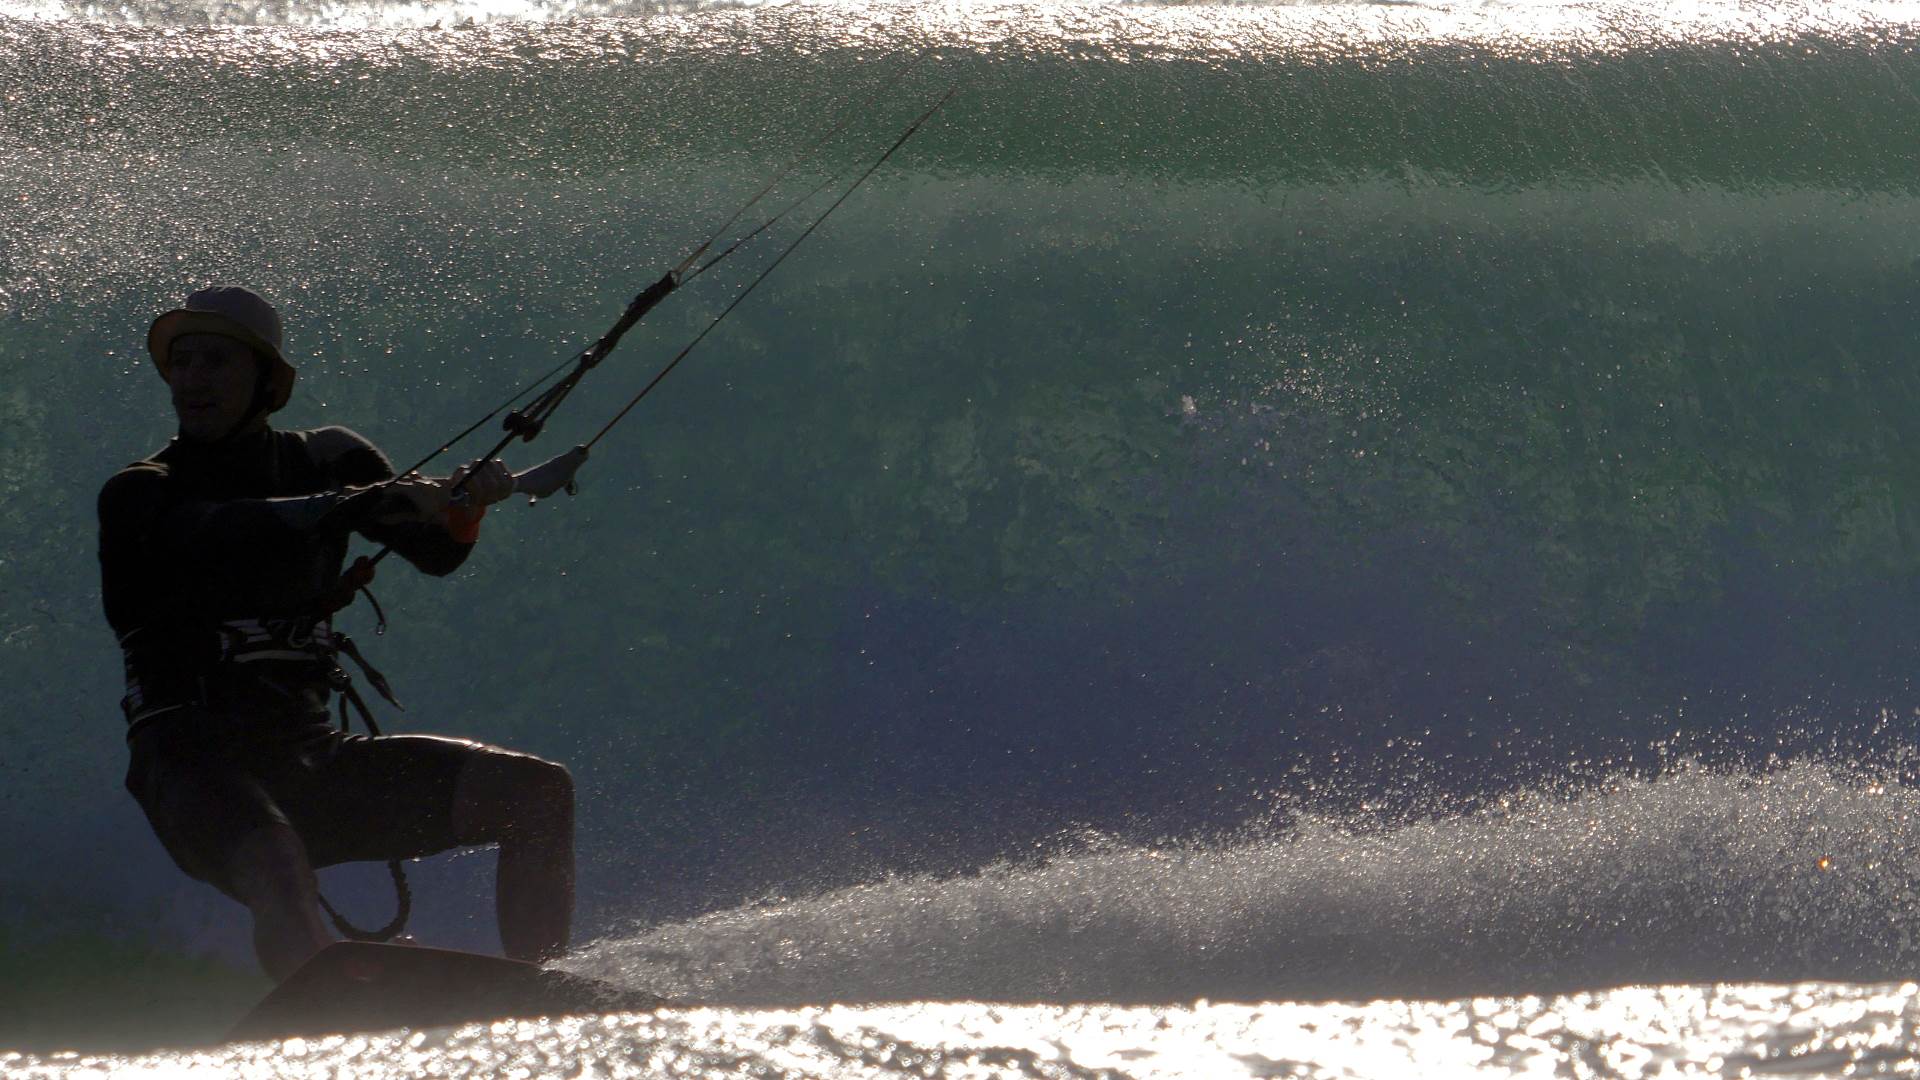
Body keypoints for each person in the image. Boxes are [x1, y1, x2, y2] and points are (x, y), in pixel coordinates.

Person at [97, 286, 574, 981]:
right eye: (183, 362)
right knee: (275, 860)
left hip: (308, 752)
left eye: (216, 362)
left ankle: (545, 998)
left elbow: (433, 554)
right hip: (191, 761)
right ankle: (322, 1007)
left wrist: (463, 506)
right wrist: (347, 504)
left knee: (537, 794)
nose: (193, 379)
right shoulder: (141, 490)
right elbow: (224, 527)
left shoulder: (328, 455)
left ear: (266, 381)